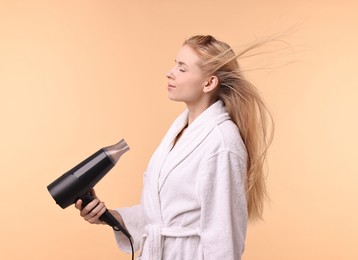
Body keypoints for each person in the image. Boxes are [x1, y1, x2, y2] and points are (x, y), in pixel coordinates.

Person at [75, 35, 274, 260]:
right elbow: (161, 217)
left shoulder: (222, 143)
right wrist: (111, 217)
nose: (170, 72)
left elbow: (224, 237)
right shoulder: (180, 130)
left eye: (182, 68)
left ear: (209, 83)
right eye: (175, 64)